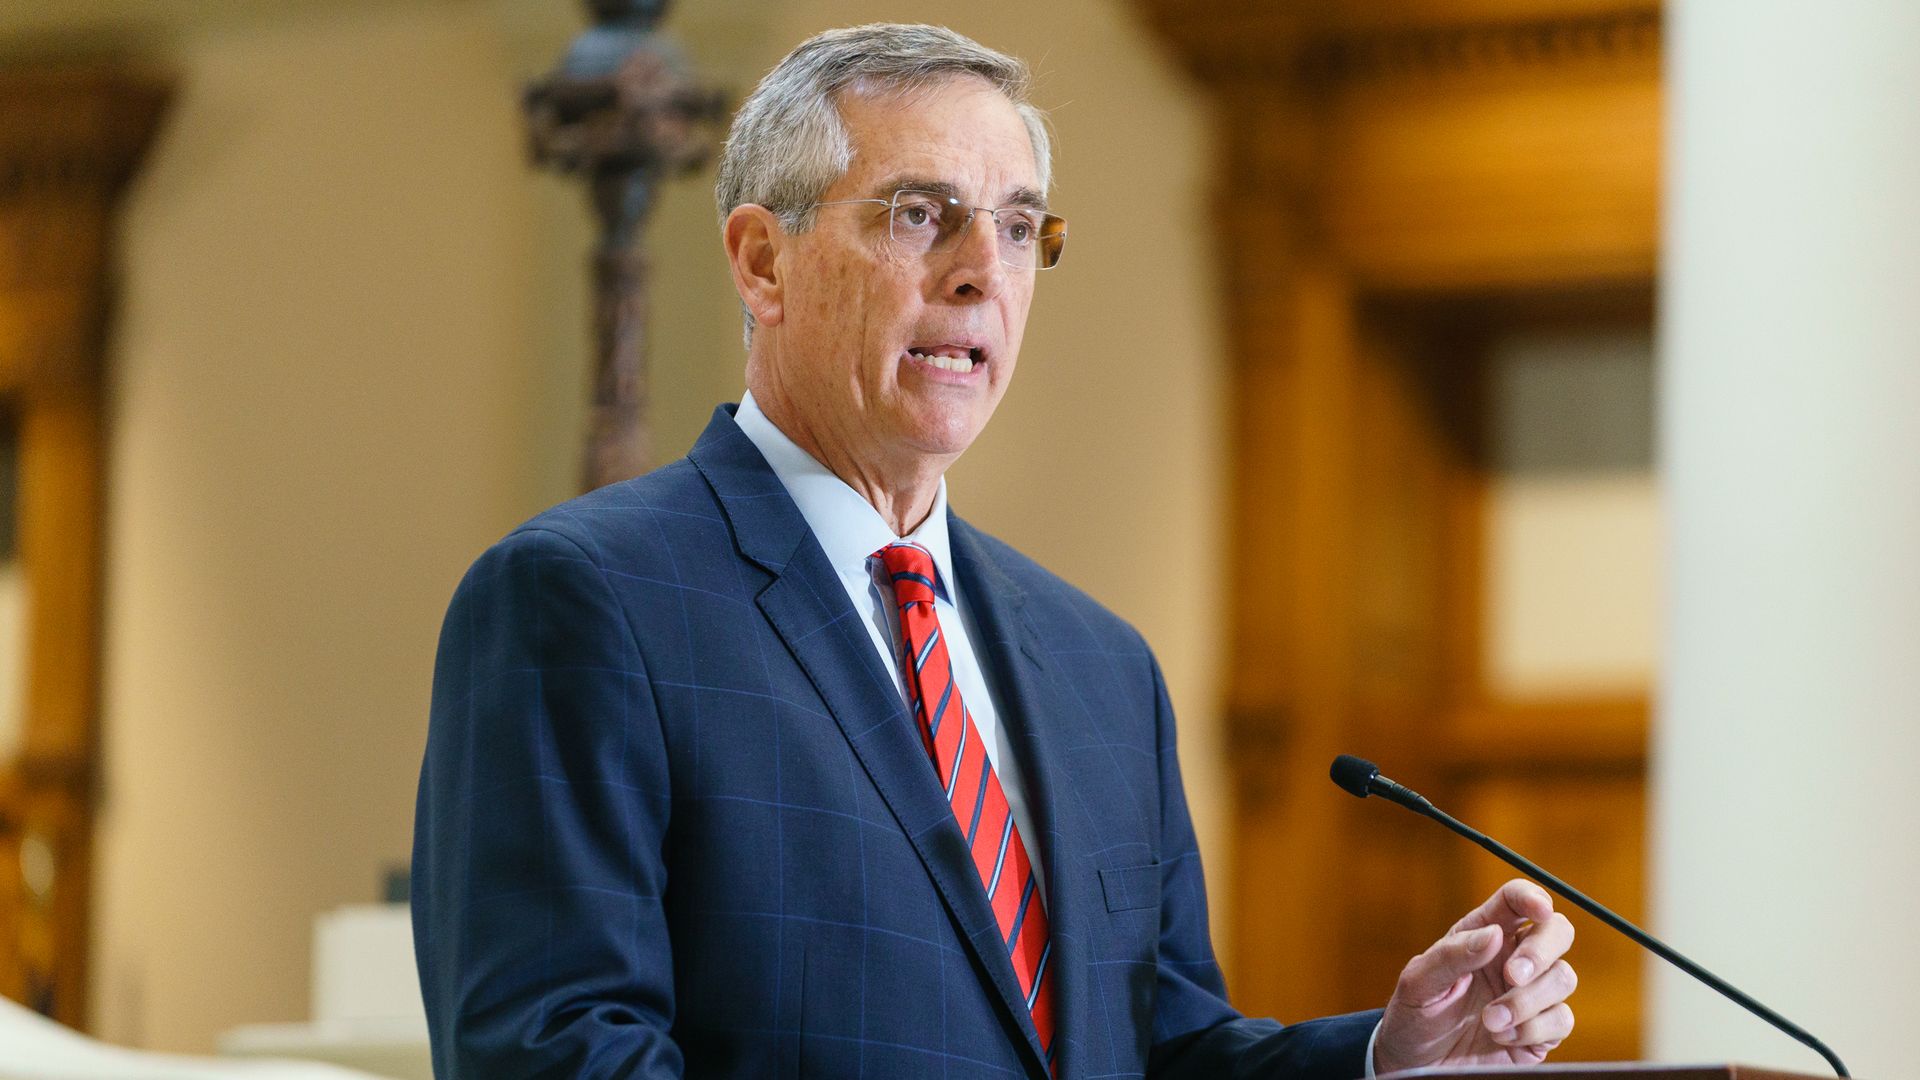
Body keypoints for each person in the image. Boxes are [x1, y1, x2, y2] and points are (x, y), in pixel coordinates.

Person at [412, 23, 1576, 1079]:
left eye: (1019, 227)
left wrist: (1387, 1055)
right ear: (763, 263)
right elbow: (558, 1055)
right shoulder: (588, 600)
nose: (981, 270)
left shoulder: (1098, 666)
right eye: (920, 214)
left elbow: (1165, 1052)